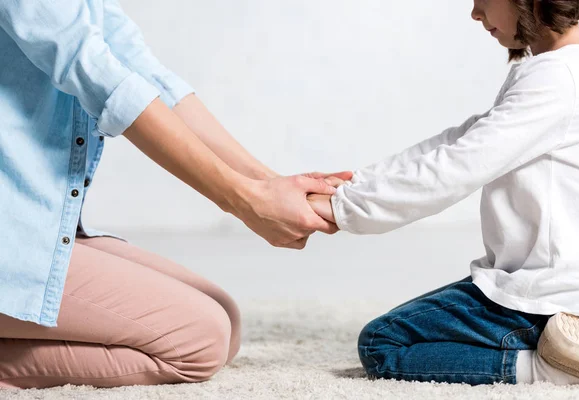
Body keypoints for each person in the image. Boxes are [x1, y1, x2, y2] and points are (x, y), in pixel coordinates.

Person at [0, 0, 350, 389]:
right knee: (199, 342)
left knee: (224, 320)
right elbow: (98, 74)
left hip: (27, 219)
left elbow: (138, 68)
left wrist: (268, 184)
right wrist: (244, 201)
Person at [309, 0, 579, 386]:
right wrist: (349, 185)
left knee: (383, 343)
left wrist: (341, 209)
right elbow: (458, 140)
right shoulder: (573, 70)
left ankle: (550, 368)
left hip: (551, 298)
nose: (475, 13)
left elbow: (455, 168)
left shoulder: (557, 79)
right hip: (569, 287)